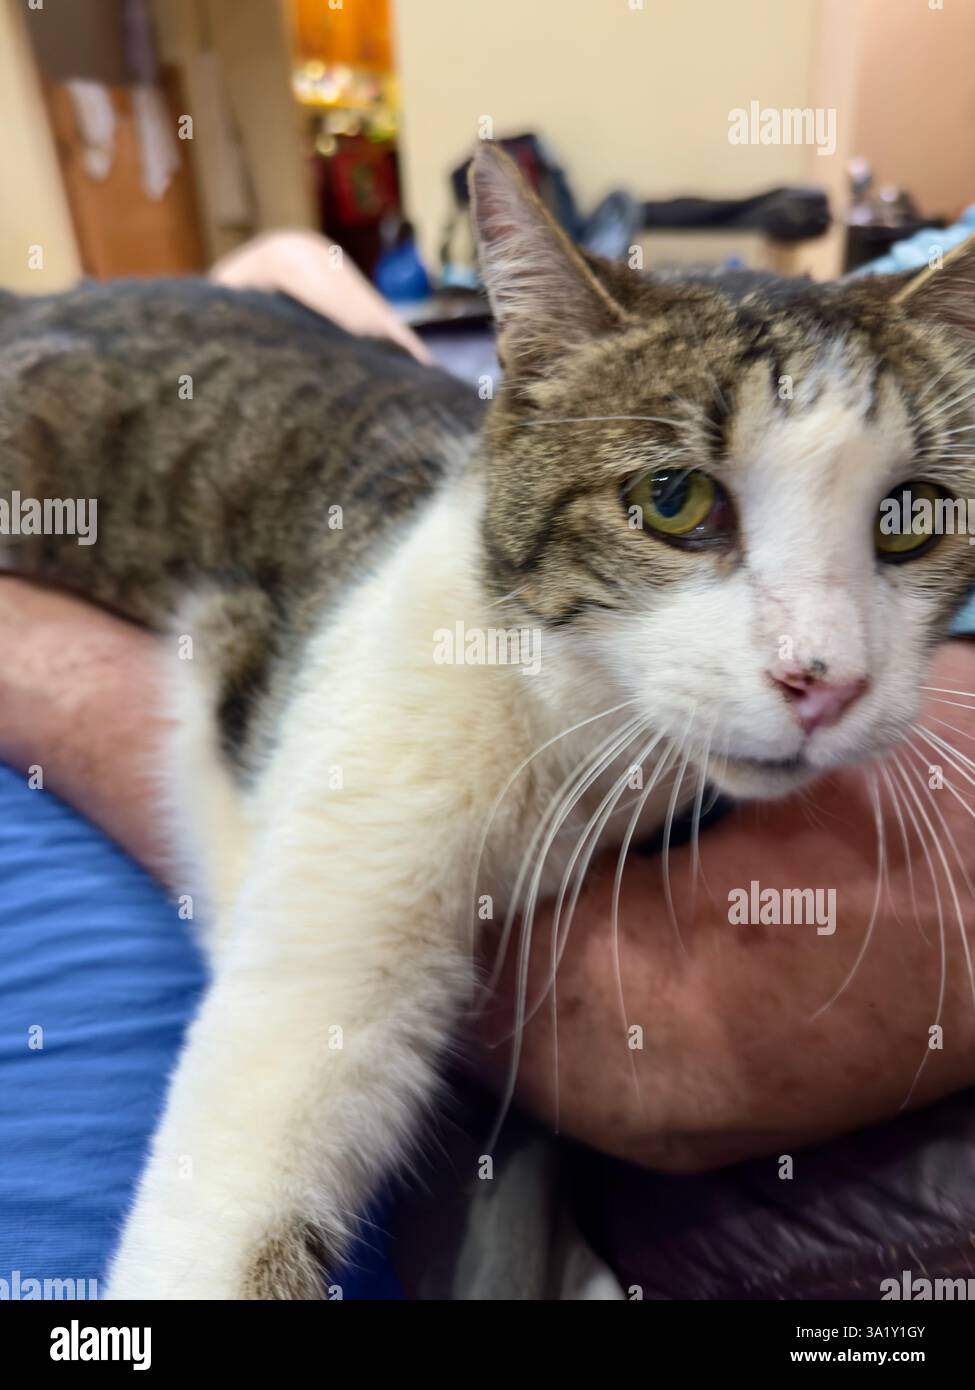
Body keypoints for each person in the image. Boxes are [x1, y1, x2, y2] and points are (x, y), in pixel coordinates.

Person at [2, 233, 974, 1288]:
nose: (825, 662)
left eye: (902, 521)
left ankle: (286, 276)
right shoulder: (433, 675)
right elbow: (262, 1115)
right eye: (680, 503)